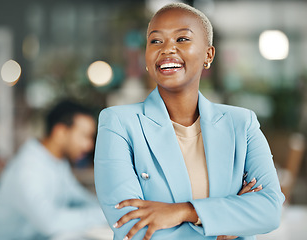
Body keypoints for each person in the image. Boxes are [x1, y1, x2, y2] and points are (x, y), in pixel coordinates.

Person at [94, 3, 285, 240]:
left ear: (208, 55)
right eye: (155, 41)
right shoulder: (118, 124)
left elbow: (269, 210)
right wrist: (227, 220)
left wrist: (184, 212)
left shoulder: (242, 123)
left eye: (182, 39)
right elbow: (132, 228)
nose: (167, 49)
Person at [0, 100, 106, 240]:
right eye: (85, 136)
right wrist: (105, 215)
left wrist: (114, 209)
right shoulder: (29, 168)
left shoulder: (56, 162)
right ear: (60, 132)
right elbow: (50, 223)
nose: (89, 145)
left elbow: (79, 197)